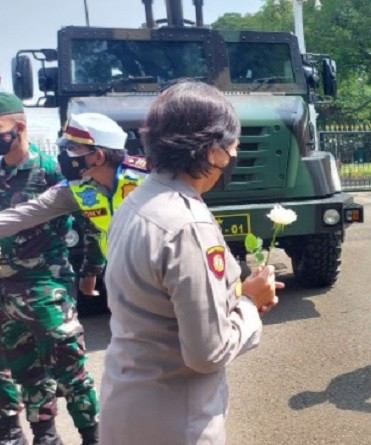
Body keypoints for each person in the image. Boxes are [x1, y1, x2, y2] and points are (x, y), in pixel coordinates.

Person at [98, 80, 282, 445]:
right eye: (232, 149)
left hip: (126, 405)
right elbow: (207, 352)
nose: (232, 158)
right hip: (175, 422)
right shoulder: (187, 225)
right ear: (212, 152)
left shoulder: (135, 202)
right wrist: (249, 303)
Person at [0, 93, 99, 445]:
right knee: (27, 374)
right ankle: (43, 436)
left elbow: (93, 223)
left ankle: (93, 436)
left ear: (19, 127)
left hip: (46, 287)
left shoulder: (52, 171)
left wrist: (91, 270)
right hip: (5, 294)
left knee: (70, 371)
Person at [0, 112, 148, 298]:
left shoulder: (149, 178)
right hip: (126, 279)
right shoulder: (77, 188)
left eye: (72, 149)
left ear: (98, 157)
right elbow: (26, 214)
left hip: (166, 271)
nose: (65, 156)